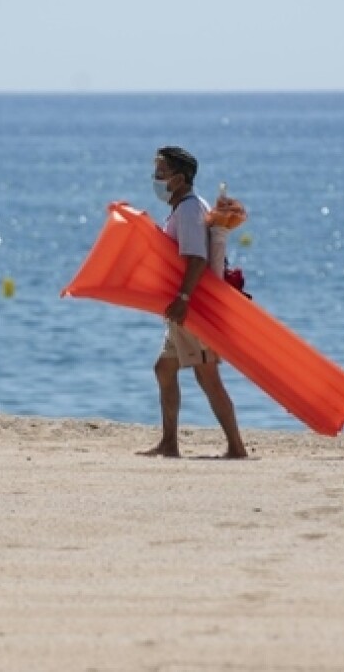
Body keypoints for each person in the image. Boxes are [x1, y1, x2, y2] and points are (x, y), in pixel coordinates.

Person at [139, 146, 248, 459]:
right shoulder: (185, 207)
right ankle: (169, 443)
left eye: (161, 173)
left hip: (193, 307)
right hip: (183, 307)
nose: (156, 179)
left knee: (207, 376)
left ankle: (236, 447)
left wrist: (183, 299)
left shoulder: (188, 210)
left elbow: (196, 259)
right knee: (164, 369)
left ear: (180, 178)